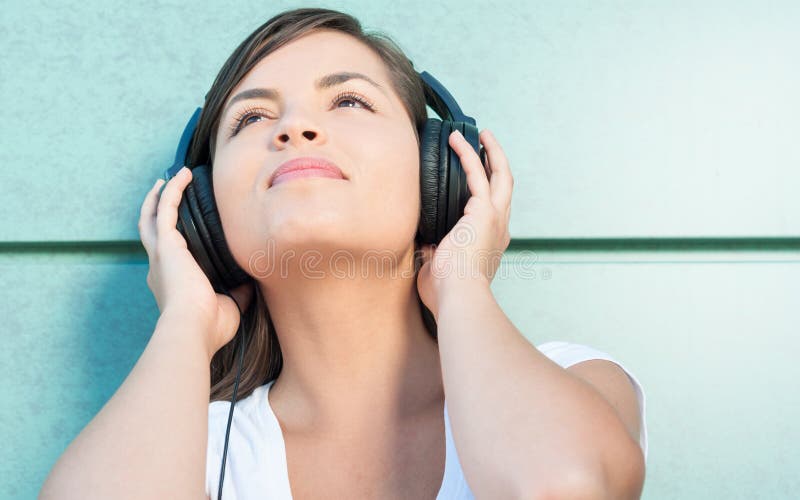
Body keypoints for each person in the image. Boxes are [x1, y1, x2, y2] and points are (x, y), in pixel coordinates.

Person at [40, 7, 647, 500]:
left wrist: (461, 281)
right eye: (252, 116)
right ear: (203, 212)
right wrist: (184, 322)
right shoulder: (183, 446)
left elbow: (560, 487)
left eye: (350, 101)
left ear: (440, 169)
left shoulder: (574, 381)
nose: (295, 128)